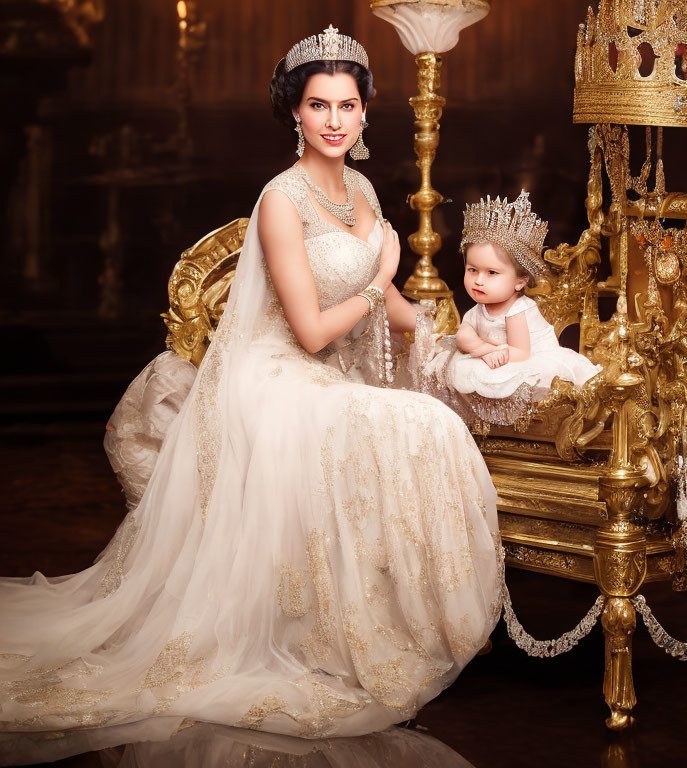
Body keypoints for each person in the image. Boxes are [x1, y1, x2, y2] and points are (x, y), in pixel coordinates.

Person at [0, 26, 504, 738]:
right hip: (277, 378)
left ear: (365, 114)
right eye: (319, 105)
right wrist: (384, 275)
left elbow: (383, 304)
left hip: (329, 378)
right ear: (294, 113)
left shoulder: (361, 189)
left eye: (348, 105)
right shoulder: (281, 200)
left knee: (431, 419)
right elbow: (309, 329)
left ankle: (404, 622)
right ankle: (375, 633)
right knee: (420, 425)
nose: (334, 120)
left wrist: (447, 338)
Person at [420, 193, 599, 413]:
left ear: (519, 282)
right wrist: (484, 349)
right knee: (453, 365)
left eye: (492, 272)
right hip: (495, 355)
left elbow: (521, 353)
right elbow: (464, 335)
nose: (479, 280)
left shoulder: (518, 309)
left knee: (498, 374)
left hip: (528, 357)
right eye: (472, 270)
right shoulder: (479, 309)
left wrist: (490, 353)